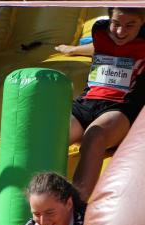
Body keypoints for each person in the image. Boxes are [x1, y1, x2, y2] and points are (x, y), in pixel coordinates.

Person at [55, 7, 145, 200]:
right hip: (87, 102)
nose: (120, 32)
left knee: (94, 136)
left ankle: (77, 207)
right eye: (116, 24)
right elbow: (99, 47)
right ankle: (37, 200)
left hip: (119, 108)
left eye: (130, 25)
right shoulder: (100, 31)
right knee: (52, 132)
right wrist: (73, 49)